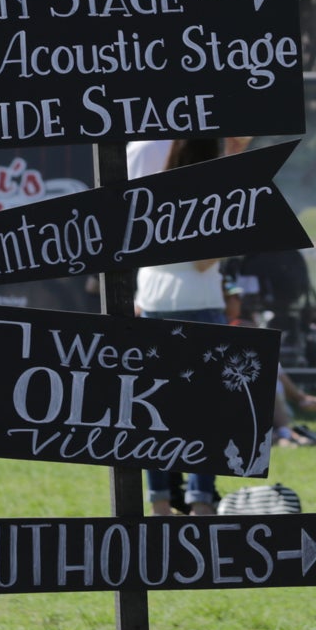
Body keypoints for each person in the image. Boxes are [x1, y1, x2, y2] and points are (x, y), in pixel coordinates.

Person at [134, 138, 231, 515]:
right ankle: (200, 503)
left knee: (154, 411)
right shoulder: (214, 194)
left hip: (154, 301)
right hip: (198, 303)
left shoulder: (150, 194)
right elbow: (206, 261)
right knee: (207, 414)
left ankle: (159, 504)